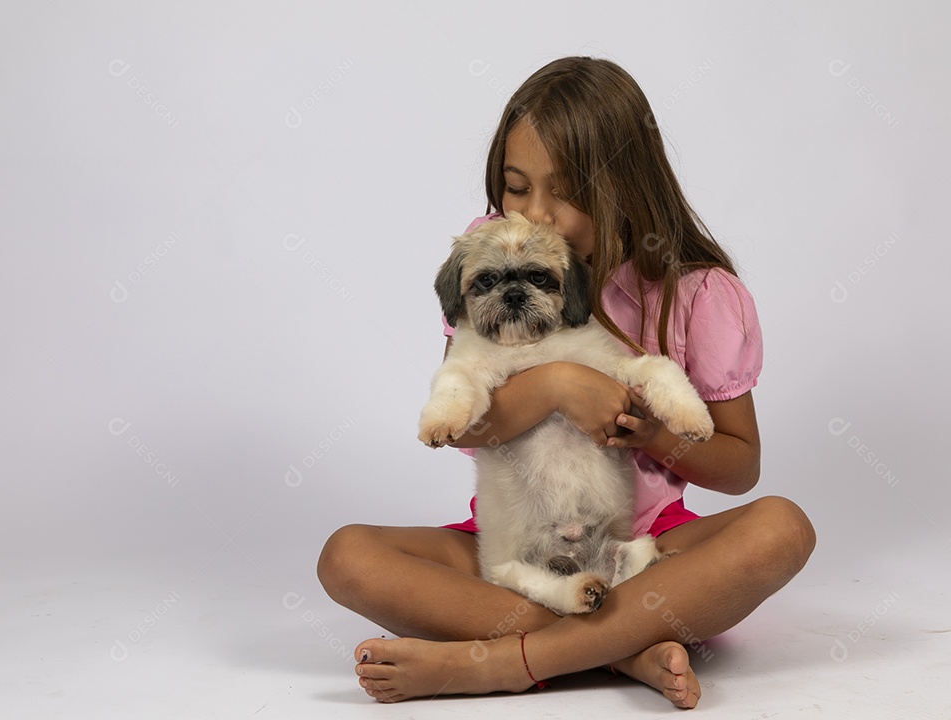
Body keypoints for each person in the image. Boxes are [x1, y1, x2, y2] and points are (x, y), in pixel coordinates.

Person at [316, 56, 815, 708]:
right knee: (346, 556)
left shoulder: (698, 293)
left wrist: (652, 434)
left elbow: (740, 466)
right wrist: (554, 384)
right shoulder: (496, 252)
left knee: (783, 528)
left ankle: (503, 663)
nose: (536, 214)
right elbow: (467, 428)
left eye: (567, 192)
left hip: (643, 545)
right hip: (513, 543)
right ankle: (623, 648)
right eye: (516, 187)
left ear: (627, 186)